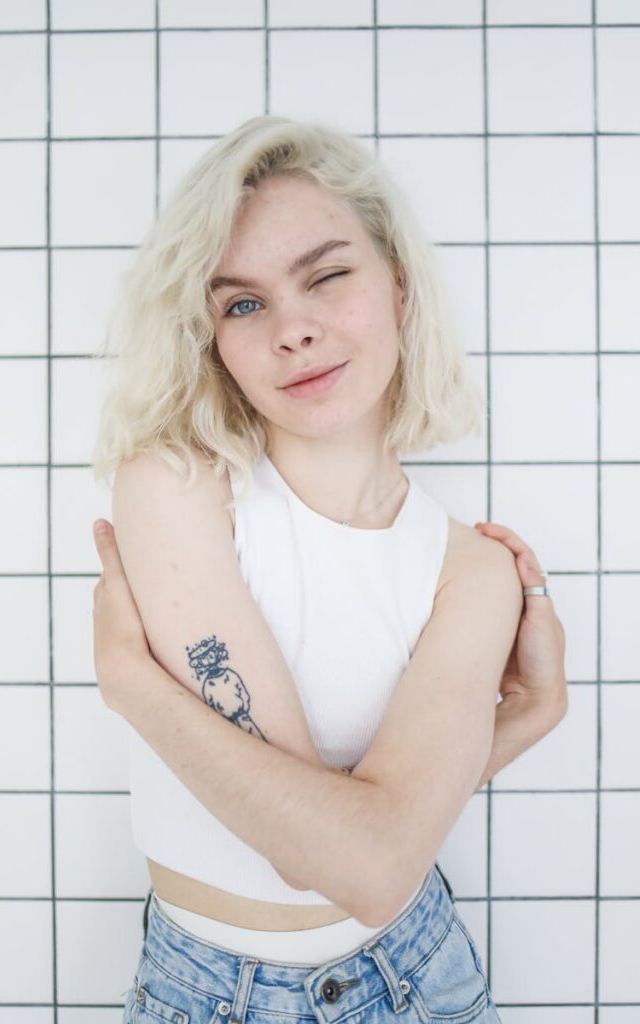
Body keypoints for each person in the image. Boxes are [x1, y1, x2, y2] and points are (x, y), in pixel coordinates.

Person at [90, 115, 567, 1023]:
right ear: (213, 340)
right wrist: (513, 728)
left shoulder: (474, 569)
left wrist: (135, 688)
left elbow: (368, 871)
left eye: (326, 276)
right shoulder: (176, 481)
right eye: (242, 303)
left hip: (415, 984)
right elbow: (339, 856)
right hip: (204, 993)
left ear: (398, 286)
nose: (292, 331)